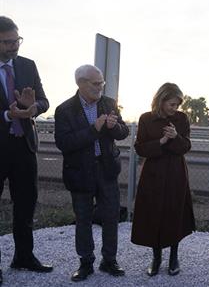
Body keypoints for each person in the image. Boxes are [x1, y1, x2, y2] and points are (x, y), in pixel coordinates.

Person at [54, 64, 129, 282]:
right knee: (83, 219)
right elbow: (64, 143)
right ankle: (86, 263)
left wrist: (114, 127)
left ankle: (109, 260)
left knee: (111, 216)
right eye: (96, 83)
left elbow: (123, 132)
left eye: (102, 82)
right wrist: (94, 129)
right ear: (81, 83)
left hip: (106, 170)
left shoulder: (108, 103)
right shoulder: (64, 110)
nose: (100, 87)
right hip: (80, 172)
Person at [0, 16, 52, 284]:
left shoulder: (27, 65)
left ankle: (23, 256)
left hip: (24, 146)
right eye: (7, 42)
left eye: (16, 40)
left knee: (25, 203)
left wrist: (34, 109)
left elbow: (44, 100)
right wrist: (8, 115)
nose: (14, 46)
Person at [131, 82, 195, 277]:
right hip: (153, 173)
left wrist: (175, 137)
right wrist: (161, 142)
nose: (175, 108)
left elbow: (186, 147)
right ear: (161, 100)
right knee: (153, 213)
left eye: (177, 105)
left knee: (174, 212)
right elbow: (140, 148)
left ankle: (174, 257)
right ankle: (156, 257)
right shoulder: (146, 119)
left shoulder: (182, 119)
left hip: (176, 172)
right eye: (172, 104)